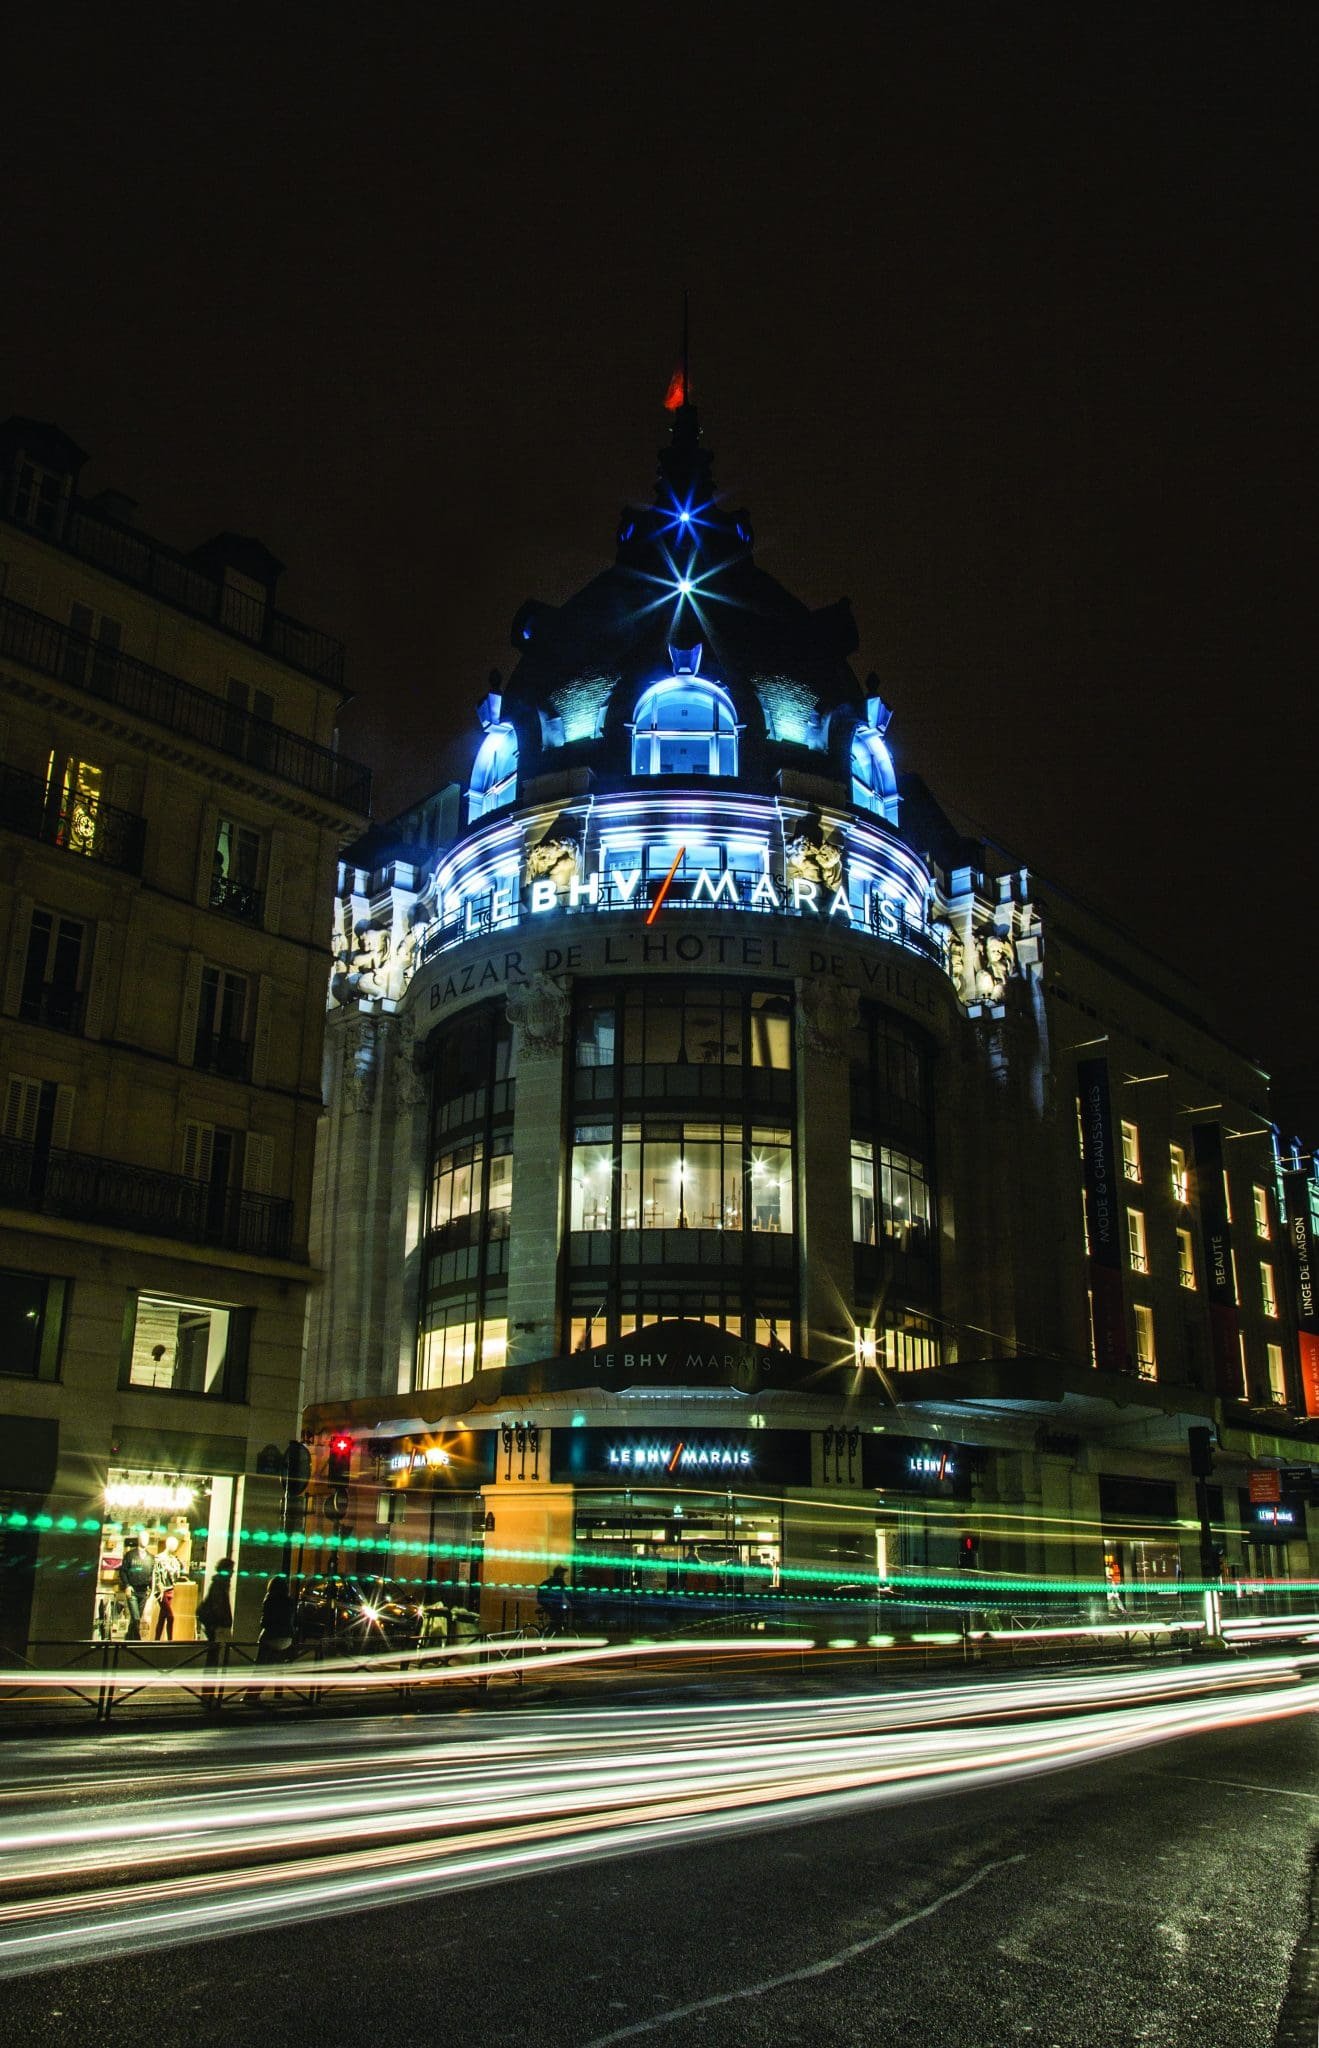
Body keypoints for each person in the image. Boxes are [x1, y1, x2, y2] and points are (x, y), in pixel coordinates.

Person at [242, 1575, 298, 1704]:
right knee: (277, 1666)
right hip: (286, 1639)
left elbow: (265, 1621)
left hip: (271, 1637)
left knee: (261, 1667)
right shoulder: (289, 1601)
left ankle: (251, 1696)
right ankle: (278, 1692)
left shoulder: (270, 1599)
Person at [117, 1533, 152, 1640]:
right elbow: (123, 1571)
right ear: (138, 1539)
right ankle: (137, 1641)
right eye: (142, 1538)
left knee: (136, 1619)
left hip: (144, 1591)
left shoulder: (151, 1557)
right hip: (132, 1590)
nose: (144, 1540)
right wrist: (127, 1585)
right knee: (136, 1618)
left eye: (146, 1538)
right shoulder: (130, 1555)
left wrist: (151, 1588)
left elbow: (152, 1574)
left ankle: (128, 1638)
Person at [536, 1565, 571, 1633]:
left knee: (556, 1621)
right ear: (559, 1574)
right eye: (563, 1574)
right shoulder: (559, 1582)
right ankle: (549, 1637)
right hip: (552, 1606)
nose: (563, 1575)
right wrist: (573, 1602)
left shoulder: (549, 1582)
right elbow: (568, 1593)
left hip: (549, 1605)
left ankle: (551, 1635)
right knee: (557, 1621)